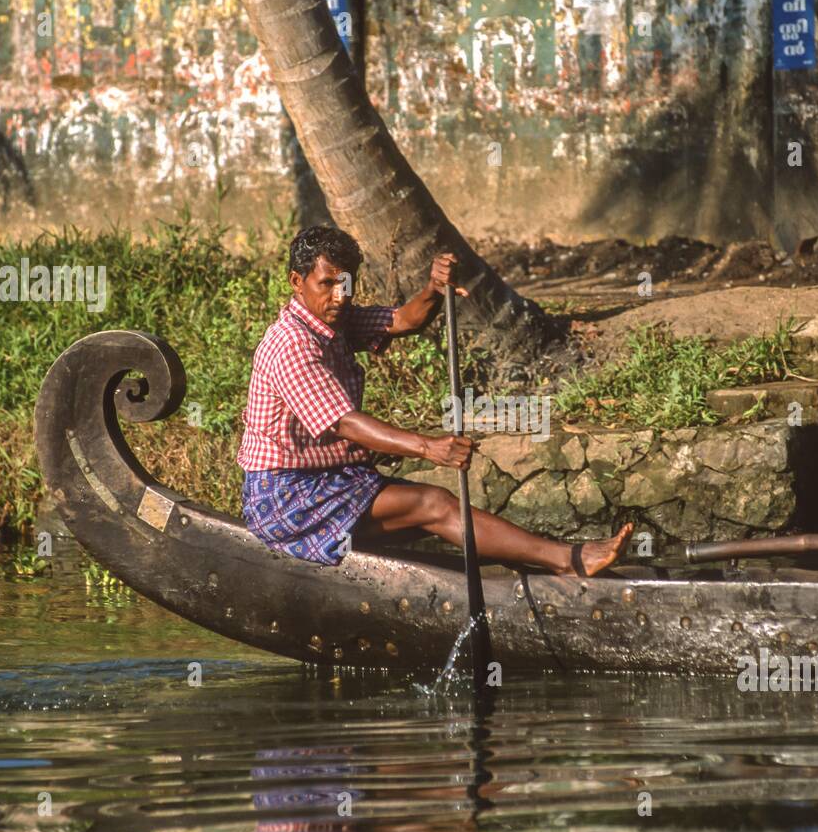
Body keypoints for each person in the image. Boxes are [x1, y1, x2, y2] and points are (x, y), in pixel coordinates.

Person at [236, 225, 632, 575]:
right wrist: (429, 448)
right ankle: (568, 559)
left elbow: (404, 320)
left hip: (333, 480)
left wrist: (433, 289)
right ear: (296, 281)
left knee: (434, 513)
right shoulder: (292, 344)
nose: (340, 296)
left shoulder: (334, 319)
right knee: (435, 504)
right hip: (287, 497)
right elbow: (346, 422)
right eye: (327, 284)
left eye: (346, 284)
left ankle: (541, 566)